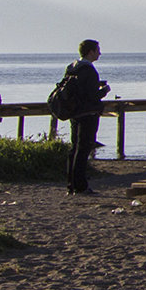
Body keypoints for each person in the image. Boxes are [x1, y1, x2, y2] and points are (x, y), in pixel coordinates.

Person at [59, 39, 110, 196]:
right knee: (84, 148)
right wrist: (104, 90)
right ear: (90, 52)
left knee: (75, 148)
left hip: (74, 112)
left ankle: (71, 184)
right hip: (88, 113)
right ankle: (81, 186)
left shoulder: (72, 68)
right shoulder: (89, 70)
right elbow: (92, 96)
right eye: (97, 50)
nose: (99, 53)